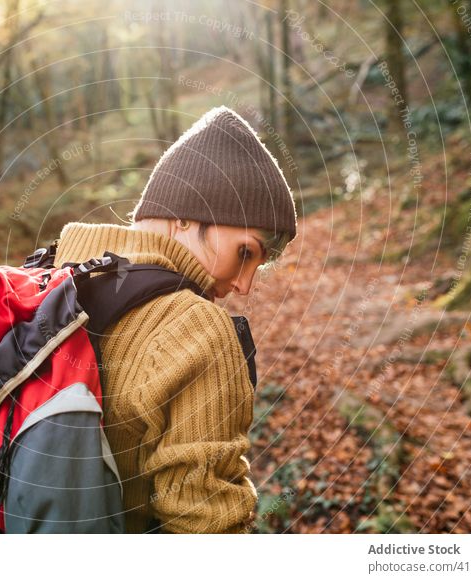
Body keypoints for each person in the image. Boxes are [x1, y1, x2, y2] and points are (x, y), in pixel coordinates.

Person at [52, 105, 298, 533]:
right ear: (186, 216)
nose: (244, 286)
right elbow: (205, 525)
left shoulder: (47, 283)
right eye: (246, 252)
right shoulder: (196, 327)